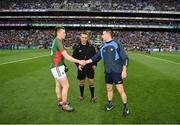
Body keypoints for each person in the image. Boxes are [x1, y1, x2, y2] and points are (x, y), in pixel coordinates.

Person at [84, 29, 129, 117]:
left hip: (116, 72)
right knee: (109, 89)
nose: (102, 36)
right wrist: (85, 62)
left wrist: (124, 71)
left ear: (108, 34)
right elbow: (95, 57)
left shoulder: (117, 43)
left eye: (103, 34)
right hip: (108, 72)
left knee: (120, 90)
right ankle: (110, 104)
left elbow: (125, 58)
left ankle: (125, 107)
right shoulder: (102, 47)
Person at [50, 26, 84, 112]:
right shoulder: (58, 41)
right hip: (57, 67)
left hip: (55, 66)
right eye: (63, 32)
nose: (65, 34)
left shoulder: (58, 41)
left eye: (65, 32)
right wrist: (79, 61)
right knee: (66, 85)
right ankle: (64, 105)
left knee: (58, 84)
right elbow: (66, 56)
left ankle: (60, 101)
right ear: (58, 33)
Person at [72, 31, 97, 102]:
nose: (84, 39)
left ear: (87, 38)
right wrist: (78, 65)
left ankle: (92, 96)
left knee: (91, 82)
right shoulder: (77, 47)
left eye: (85, 38)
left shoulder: (91, 47)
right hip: (81, 68)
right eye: (82, 37)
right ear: (80, 38)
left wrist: (95, 64)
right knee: (81, 82)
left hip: (90, 68)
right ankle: (81, 95)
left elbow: (95, 57)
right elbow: (74, 58)